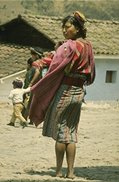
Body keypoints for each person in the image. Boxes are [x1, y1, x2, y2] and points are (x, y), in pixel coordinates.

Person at [29, 11, 95, 178]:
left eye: (68, 27)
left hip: (65, 90)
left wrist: (41, 61)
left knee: (61, 132)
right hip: (79, 93)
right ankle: (71, 172)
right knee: (71, 133)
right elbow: (91, 73)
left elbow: (55, 63)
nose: (65, 31)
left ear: (78, 28)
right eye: (63, 28)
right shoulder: (88, 46)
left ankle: (58, 171)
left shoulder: (69, 46)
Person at [22, 58, 42, 124]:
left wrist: (31, 83)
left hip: (29, 88)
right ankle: (30, 120)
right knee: (30, 103)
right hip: (32, 88)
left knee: (27, 103)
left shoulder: (33, 68)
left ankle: (24, 119)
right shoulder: (35, 68)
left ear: (28, 64)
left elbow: (37, 72)